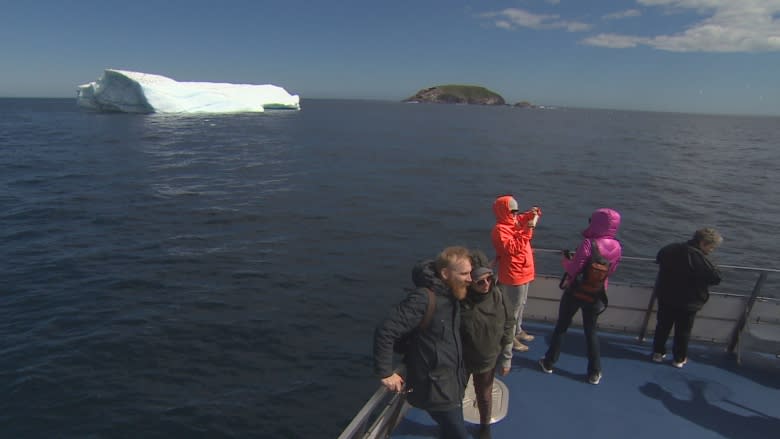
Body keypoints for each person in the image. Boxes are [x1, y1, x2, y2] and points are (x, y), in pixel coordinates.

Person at [373, 246, 472, 439]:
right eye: (464, 273)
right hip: (436, 386)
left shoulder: (452, 293)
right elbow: (386, 330)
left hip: (451, 380)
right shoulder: (424, 299)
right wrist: (385, 372)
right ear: (445, 273)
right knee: (459, 433)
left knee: (450, 429)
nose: (470, 278)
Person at [539, 208, 622, 385]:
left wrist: (565, 260)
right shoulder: (617, 247)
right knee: (590, 331)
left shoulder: (588, 244)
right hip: (598, 293)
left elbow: (573, 269)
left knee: (562, 326)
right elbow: (611, 270)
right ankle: (595, 371)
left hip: (576, 291)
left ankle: (549, 362)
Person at [460, 250, 514, 439]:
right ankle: (455, 425)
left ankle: (485, 427)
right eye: (480, 281)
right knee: (456, 393)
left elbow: (509, 324)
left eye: (488, 279)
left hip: (487, 357)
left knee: (484, 395)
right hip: (463, 357)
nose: (486, 285)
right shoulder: (460, 299)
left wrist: (506, 358)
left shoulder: (498, 295)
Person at [651, 228, 722, 368]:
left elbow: (659, 258)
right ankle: (679, 358)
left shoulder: (670, 249)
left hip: (666, 296)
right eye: (711, 247)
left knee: (662, 326)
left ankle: (658, 353)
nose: (711, 250)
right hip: (689, 301)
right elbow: (715, 278)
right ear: (702, 243)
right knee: (683, 331)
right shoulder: (699, 258)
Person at [491, 195, 542, 353]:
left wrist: (533, 213)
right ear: (503, 211)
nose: (515, 214)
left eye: (516, 211)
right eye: (511, 211)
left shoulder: (514, 222)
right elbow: (512, 249)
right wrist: (527, 230)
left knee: (522, 304)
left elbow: (523, 218)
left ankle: (518, 331)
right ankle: (509, 338)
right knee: (512, 309)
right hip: (513, 274)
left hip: (525, 270)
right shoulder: (500, 230)